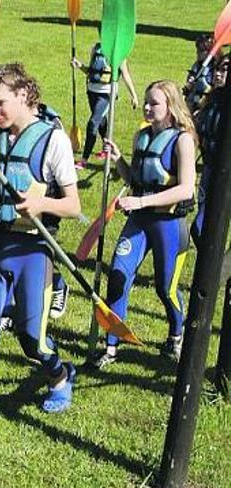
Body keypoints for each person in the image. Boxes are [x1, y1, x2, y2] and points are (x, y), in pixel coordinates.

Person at [0, 63, 81, 453]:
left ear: (24, 95)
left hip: (33, 250)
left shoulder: (53, 141)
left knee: (32, 341)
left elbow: (73, 205)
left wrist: (41, 202)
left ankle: (60, 375)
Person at [93, 80, 197, 367]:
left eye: (155, 104)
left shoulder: (183, 140)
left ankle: (176, 335)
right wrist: (118, 160)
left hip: (169, 224)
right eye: (147, 102)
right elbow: (135, 180)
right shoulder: (142, 136)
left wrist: (140, 202)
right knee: (117, 277)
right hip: (139, 222)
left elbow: (186, 189)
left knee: (165, 288)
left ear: (171, 108)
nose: (148, 108)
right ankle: (111, 346)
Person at [71, 40, 138, 169]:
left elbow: (125, 74)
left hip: (107, 94)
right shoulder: (96, 48)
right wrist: (79, 66)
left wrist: (133, 95)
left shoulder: (118, 52)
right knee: (101, 122)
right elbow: (91, 71)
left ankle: (84, 160)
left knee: (93, 123)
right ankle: (106, 148)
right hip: (92, 92)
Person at [192, 55, 229, 246]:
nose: (218, 74)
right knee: (199, 228)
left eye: (224, 70)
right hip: (209, 168)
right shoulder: (213, 97)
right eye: (217, 69)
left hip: (225, 174)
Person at [184, 34, 217, 113]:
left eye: (203, 50)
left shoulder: (214, 67)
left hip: (205, 100)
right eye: (198, 49)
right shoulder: (197, 66)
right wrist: (190, 82)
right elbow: (190, 80)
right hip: (193, 97)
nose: (198, 53)